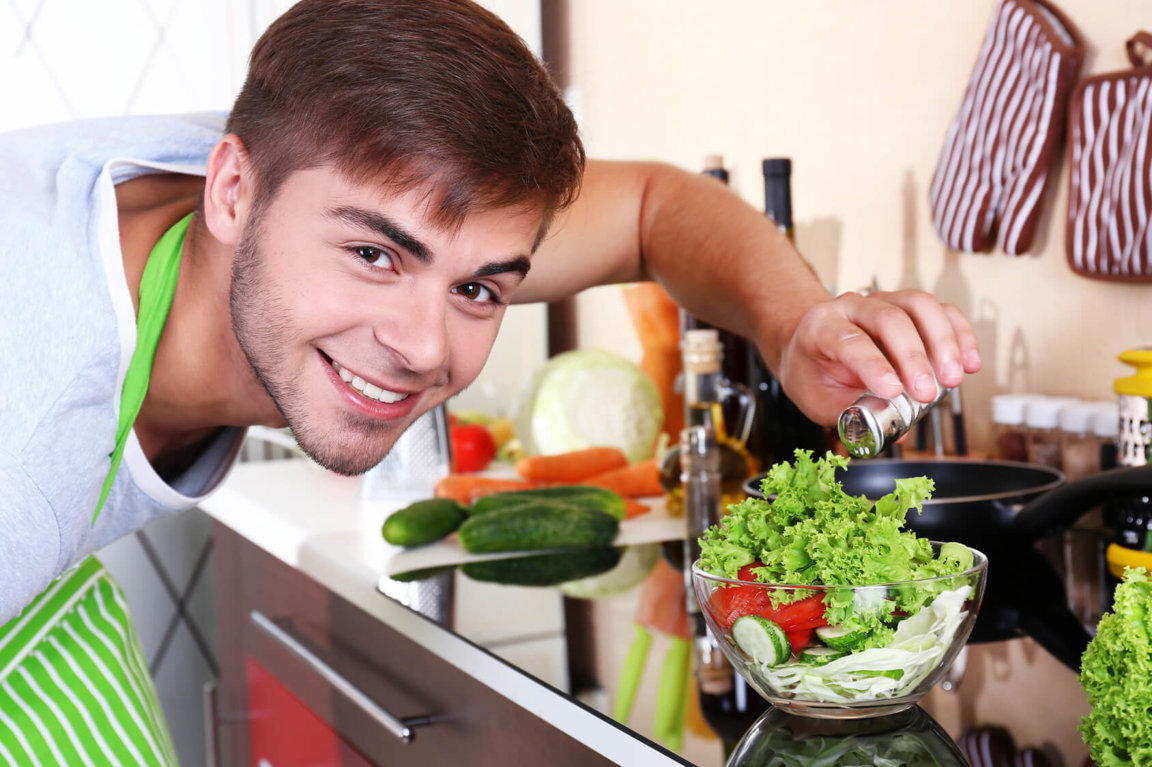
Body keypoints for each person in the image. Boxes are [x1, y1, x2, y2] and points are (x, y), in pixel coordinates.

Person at [0, 0, 981, 763]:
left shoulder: (318, 166)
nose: (426, 344)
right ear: (231, 189)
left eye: (477, 286)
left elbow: (652, 204)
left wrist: (793, 320)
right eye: (376, 257)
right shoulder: (26, 416)